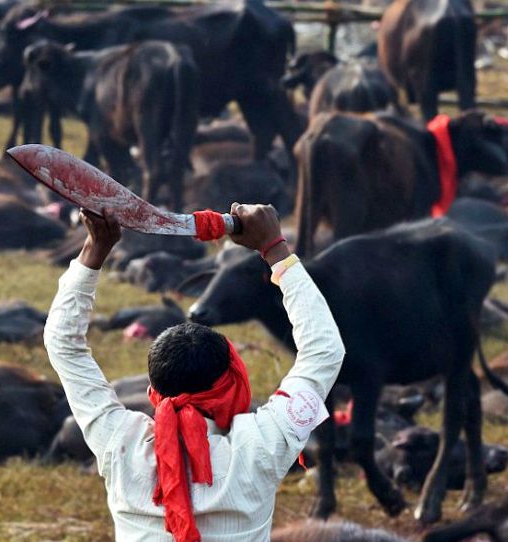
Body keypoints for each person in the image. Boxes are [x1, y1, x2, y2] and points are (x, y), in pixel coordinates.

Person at [44, 203, 345, 542]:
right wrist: (275, 249)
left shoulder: (121, 441)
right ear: (231, 385)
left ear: (153, 393)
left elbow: (62, 344)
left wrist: (94, 248)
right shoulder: (261, 442)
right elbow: (325, 350)